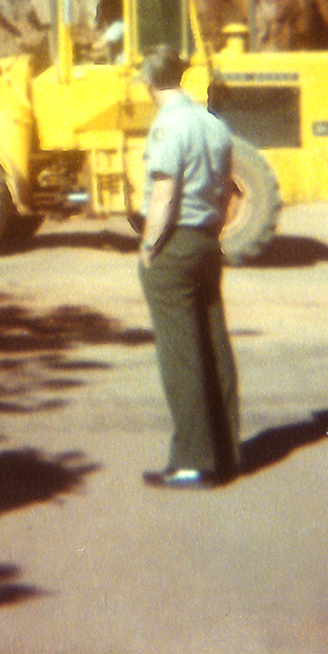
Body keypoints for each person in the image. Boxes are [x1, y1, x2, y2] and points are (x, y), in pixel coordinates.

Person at [136, 45, 241, 489]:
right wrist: (211, 229)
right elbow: (227, 190)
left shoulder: (167, 126)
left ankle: (192, 462)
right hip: (205, 243)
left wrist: (149, 244)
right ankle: (226, 452)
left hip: (175, 244)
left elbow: (164, 193)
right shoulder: (211, 123)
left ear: (147, 81)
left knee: (180, 351)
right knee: (214, 342)